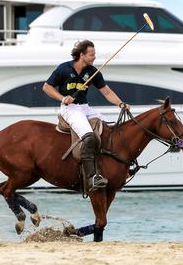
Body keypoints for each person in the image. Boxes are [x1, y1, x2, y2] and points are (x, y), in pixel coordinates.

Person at [42, 40, 129, 192]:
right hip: (70, 109)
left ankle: (116, 166)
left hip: (85, 108)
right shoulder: (64, 68)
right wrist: (62, 98)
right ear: (81, 55)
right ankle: (91, 177)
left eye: (94, 54)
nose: (94, 57)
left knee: (109, 130)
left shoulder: (93, 71)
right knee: (88, 136)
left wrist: (121, 104)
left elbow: (107, 92)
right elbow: (47, 87)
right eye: (91, 54)